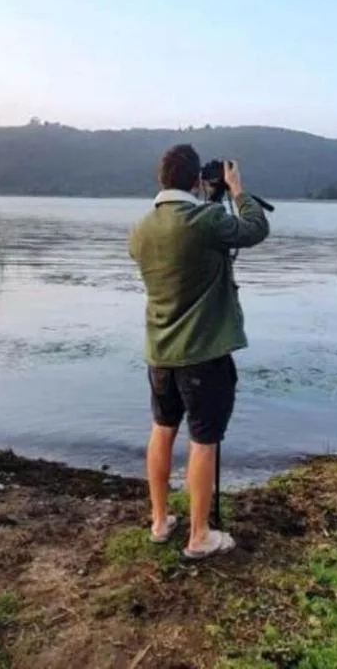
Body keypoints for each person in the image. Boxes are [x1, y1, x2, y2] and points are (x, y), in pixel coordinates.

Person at [128, 144, 270, 559]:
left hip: (159, 352)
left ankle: (159, 521)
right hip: (203, 354)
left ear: (162, 179)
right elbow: (254, 229)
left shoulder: (140, 230)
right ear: (196, 181)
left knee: (162, 429)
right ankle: (199, 535)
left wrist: (211, 200)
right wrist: (237, 191)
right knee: (204, 441)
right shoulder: (205, 220)